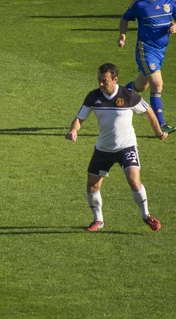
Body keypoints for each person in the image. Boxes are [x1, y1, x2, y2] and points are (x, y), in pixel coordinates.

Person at [66, 63, 168, 232]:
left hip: (126, 147)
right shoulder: (93, 97)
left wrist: (158, 132)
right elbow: (80, 118)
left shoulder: (128, 96)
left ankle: (146, 215)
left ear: (115, 79)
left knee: (134, 181)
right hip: (103, 149)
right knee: (92, 186)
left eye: (104, 81)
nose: (100, 84)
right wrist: (73, 130)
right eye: (99, 80)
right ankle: (98, 220)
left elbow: (148, 111)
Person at [118, 0, 176, 134]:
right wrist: (122, 35)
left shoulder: (170, 0)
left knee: (141, 86)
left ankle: (117, 98)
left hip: (160, 50)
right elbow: (124, 18)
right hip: (145, 49)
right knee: (157, 84)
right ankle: (160, 125)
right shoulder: (140, 4)